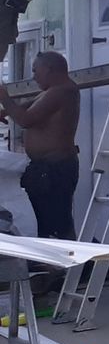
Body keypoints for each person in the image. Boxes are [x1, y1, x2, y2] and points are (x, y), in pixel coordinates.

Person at [0, 51, 81, 242]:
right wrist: (4, 111)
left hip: (55, 169)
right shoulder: (50, 92)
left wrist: (4, 97)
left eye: (36, 70)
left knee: (57, 225)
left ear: (49, 69)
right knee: (45, 222)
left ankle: (70, 256)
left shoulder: (63, 91)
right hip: (44, 168)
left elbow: (25, 120)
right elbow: (27, 107)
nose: (34, 76)